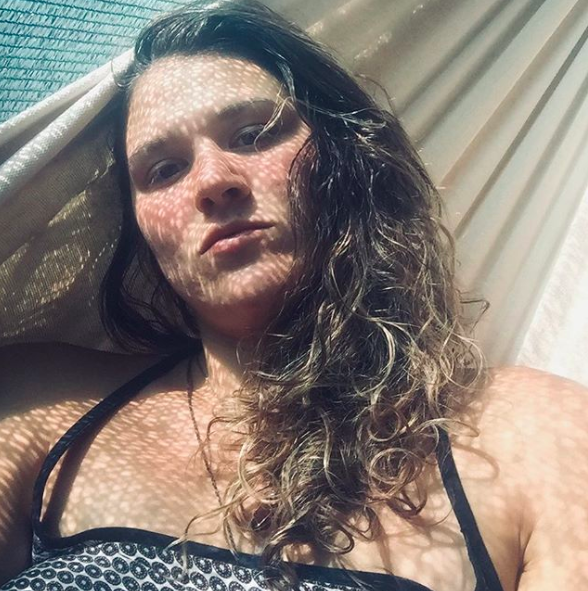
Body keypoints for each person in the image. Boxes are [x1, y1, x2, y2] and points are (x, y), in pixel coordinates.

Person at [1, 1, 587, 590]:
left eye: (253, 135)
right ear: (142, 233)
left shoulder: (530, 433)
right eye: (164, 170)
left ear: (346, 159)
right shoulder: (36, 404)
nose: (213, 181)